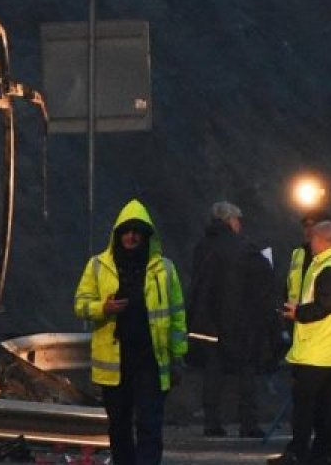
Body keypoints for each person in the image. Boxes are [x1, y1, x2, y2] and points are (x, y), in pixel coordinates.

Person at [74, 199, 187, 465]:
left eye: (137, 231)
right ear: (117, 234)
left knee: (150, 425)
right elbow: (80, 305)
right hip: (115, 365)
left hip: (150, 361)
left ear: (146, 235)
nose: (131, 236)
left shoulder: (165, 270)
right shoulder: (98, 266)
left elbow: (177, 316)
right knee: (119, 427)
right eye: (126, 231)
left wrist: (177, 357)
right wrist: (104, 307)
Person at [268, 220, 331, 465]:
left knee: (306, 407)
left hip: (316, 348)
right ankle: (330, 453)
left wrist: (298, 313)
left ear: (320, 240)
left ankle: (299, 452)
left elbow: (326, 304)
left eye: (313, 239)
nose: (310, 243)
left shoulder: (329, 268)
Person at [188, 201, 274, 438]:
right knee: (246, 371)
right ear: (231, 221)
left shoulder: (202, 246)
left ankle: (212, 422)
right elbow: (263, 276)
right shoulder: (244, 247)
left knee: (212, 371)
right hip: (240, 320)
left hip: (207, 322)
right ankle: (248, 423)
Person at [287, 210, 331, 305]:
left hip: (321, 317)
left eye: (313, 226)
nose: (309, 230)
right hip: (296, 316)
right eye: (306, 226)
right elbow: (290, 288)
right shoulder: (298, 254)